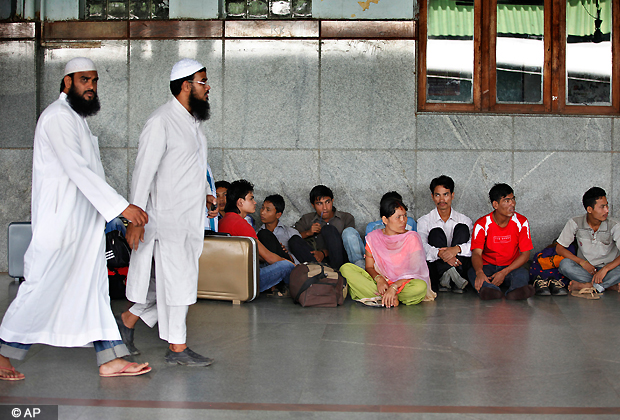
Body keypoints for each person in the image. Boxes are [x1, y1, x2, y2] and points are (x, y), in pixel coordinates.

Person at [0, 57, 151, 380]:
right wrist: (122, 208)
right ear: (67, 82)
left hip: (83, 227)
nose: (91, 87)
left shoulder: (76, 119)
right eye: (84, 80)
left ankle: (110, 358)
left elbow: (90, 174)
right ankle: (2, 353)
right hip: (60, 226)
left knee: (92, 290)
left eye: (94, 81)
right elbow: (77, 170)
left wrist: (112, 214)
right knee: (39, 288)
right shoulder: (57, 117)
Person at [118, 59, 214, 367]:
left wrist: (209, 193)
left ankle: (128, 321)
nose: (208, 87)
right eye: (203, 82)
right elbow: (143, 172)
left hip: (190, 219)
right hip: (166, 220)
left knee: (167, 284)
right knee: (178, 285)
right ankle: (177, 349)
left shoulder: (194, 124)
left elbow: (198, 165)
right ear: (186, 85)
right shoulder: (161, 121)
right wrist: (133, 218)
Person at [340, 197, 436, 307]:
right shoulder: (374, 237)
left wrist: (394, 287)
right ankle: (391, 298)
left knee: (420, 287)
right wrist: (379, 279)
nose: (403, 220)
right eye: (398, 217)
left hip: (403, 284)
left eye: (404, 216)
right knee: (346, 268)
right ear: (385, 220)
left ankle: (382, 298)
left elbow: (415, 271)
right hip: (381, 284)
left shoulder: (412, 238)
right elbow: (369, 267)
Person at [219, 180, 295, 295]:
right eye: (251, 199)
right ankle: (301, 289)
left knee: (268, 263)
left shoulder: (223, 221)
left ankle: (279, 288)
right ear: (240, 202)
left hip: (227, 279)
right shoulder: (241, 225)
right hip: (244, 283)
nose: (255, 202)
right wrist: (294, 266)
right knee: (286, 266)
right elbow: (269, 257)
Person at [468, 183, 534, 300]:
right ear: (495, 204)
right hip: (488, 266)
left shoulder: (521, 222)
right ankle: (490, 290)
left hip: (511, 267)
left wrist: (504, 272)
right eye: (507, 201)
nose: (512, 204)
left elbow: (526, 254)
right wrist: (479, 272)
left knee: (522, 273)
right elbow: (477, 253)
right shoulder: (482, 224)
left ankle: (516, 291)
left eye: (513, 199)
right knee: (473, 272)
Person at [556, 187, 620, 294]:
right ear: (589, 209)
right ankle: (608, 285)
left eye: (607, 205)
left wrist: (605, 269)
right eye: (602, 207)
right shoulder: (575, 223)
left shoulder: (615, 226)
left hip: (609, 269)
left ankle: (588, 286)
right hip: (587, 270)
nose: (607, 210)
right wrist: (582, 262)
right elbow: (559, 248)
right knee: (564, 264)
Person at [417, 175, 472, 293]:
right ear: (432, 196)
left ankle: (450, 277)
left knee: (462, 229)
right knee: (436, 233)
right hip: (436, 271)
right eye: (437, 195)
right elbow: (421, 246)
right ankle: (452, 278)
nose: (442, 199)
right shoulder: (424, 221)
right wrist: (439, 253)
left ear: (452, 195)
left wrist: (456, 249)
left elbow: (474, 245)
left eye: (445, 194)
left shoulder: (464, 220)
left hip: (461, 267)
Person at [345, 191, 417, 268]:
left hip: (399, 261)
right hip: (373, 260)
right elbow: (369, 251)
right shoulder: (372, 226)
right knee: (349, 232)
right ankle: (361, 267)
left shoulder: (409, 222)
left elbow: (415, 247)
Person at [294, 185, 355, 270]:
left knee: (328, 229)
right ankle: (319, 272)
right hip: (316, 261)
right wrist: (308, 233)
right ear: (313, 205)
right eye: (319, 204)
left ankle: (337, 273)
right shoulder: (307, 219)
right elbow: (292, 237)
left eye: (327, 202)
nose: (325, 208)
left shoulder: (346, 218)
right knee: (294, 240)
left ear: (332, 201)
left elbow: (350, 245)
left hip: (339, 261)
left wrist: (323, 253)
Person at [257, 194, 316, 265]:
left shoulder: (290, 232)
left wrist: (289, 256)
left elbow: (302, 254)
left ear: (278, 215)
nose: (262, 212)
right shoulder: (256, 235)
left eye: (268, 210)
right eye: (262, 208)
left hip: (293, 268)